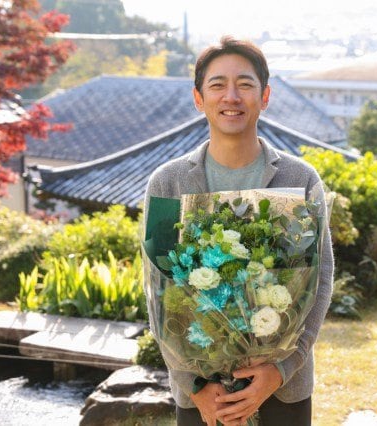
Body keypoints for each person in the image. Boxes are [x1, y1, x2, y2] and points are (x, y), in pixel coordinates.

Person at [143, 35, 334, 426]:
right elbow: (157, 291)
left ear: (265, 96)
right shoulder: (169, 182)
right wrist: (192, 383)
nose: (231, 96)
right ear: (199, 98)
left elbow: (321, 279)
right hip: (202, 393)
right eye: (217, 85)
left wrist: (282, 368)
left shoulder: (298, 178)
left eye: (245, 84)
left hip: (282, 388)